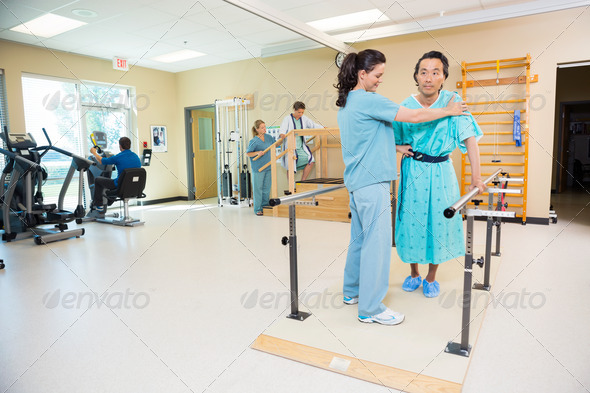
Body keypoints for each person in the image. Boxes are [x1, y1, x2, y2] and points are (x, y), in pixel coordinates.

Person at [335, 49, 468, 325]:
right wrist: (449, 110)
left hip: (357, 183)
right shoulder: (369, 100)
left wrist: (395, 146)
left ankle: (351, 292)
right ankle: (371, 308)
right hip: (373, 184)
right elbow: (416, 117)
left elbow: (363, 138)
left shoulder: (347, 102)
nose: (380, 80)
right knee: (377, 245)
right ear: (363, 74)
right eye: (378, 75)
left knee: (359, 240)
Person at [393, 51, 485, 298]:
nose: (429, 77)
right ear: (416, 76)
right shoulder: (406, 105)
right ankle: (413, 273)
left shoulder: (454, 101)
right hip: (413, 170)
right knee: (412, 222)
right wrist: (398, 148)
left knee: (438, 223)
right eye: (423, 72)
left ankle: (431, 277)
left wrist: (477, 177)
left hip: (442, 171)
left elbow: (470, 140)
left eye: (435, 72)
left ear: (443, 77)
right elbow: (392, 138)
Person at [89, 136, 141, 217]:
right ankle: (108, 201)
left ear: (120, 146)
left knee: (98, 180)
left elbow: (101, 161)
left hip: (120, 186)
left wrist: (94, 153)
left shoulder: (118, 157)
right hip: (135, 187)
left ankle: (99, 205)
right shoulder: (136, 157)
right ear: (129, 145)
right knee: (111, 185)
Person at [279, 101, 323, 188]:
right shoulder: (287, 119)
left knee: (311, 161)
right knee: (290, 167)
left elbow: (313, 125)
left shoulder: (304, 118)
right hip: (291, 147)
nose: (300, 114)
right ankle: (291, 186)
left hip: (301, 146)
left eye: (302, 112)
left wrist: (322, 128)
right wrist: (282, 134)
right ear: (294, 110)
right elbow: (282, 130)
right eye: (299, 112)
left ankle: (302, 182)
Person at [246, 120, 285, 215]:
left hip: (268, 166)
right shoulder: (254, 141)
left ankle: (265, 206)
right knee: (258, 189)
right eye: (262, 127)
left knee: (266, 188)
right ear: (257, 129)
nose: (264, 129)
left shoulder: (269, 137)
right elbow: (248, 153)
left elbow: (276, 145)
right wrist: (257, 153)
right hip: (258, 168)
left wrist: (282, 139)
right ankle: (258, 209)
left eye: (265, 127)